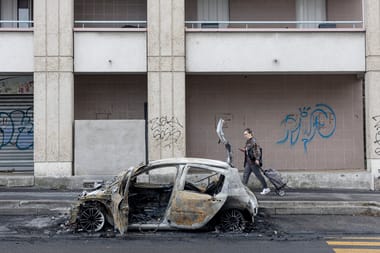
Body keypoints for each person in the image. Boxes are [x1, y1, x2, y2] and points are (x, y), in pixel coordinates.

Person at [239, 128, 270, 195]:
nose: (244, 135)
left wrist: (257, 159)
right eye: (244, 134)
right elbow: (248, 149)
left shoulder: (253, 141)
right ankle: (243, 190)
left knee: (258, 175)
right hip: (248, 162)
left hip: (253, 162)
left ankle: (266, 188)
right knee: (245, 175)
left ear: (250, 134)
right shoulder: (248, 141)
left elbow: (257, 150)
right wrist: (244, 150)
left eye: (246, 134)